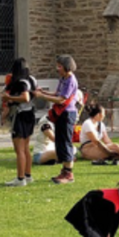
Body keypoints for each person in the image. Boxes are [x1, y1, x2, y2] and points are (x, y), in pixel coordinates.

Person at [35, 54, 80, 184]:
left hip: (67, 114)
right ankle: (64, 170)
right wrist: (43, 92)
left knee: (65, 142)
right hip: (62, 114)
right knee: (60, 142)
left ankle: (68, 173)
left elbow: (61, 99)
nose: (57, 68)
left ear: (66, 66)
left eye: (59, 66)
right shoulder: (63, 78)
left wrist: (42, 97)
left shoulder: (71, 80)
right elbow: (56, 94)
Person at [1, 58, 38, 186]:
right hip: (30, 114)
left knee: (19, 149)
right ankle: (27, 175)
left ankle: (20, 178)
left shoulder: (21, 82)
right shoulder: (32, 80)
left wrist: (9, 98)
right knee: (26, 147)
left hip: (21, 115)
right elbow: (35, 94)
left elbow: (25, 97)